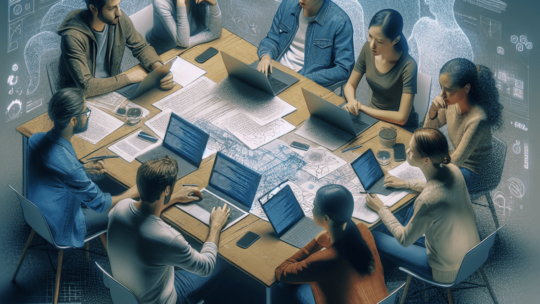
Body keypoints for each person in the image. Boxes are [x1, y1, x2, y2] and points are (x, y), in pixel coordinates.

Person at [107, 156, 231, 304]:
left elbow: (145, 212)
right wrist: (216, 226)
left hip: (126, 295)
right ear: (166, 189)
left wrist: (175, 197)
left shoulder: (119, 208)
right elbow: (207, 267)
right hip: (168, 300)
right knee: (222, 261)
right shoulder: (167, 237)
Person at [27, 88, 139, 248]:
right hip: (62, 227)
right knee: (125, 210)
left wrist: (82, 168)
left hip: (38, 212)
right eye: (85, 112)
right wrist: (133, 193)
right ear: (73, 121)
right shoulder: (72, 170)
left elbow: (55, 170)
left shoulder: (34, 139)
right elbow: (101, 204)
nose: (87, 115)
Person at [366, 128, 480, 283]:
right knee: (400, 222)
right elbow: (439, 189)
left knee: (374, 235)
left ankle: (378, 281)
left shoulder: (427, 200)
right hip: (473, 253)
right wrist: (406, 183)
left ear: (426, 160)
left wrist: (381, 208)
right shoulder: (454, 169)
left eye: (411, 151)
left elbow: (404, 239)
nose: (407, 151)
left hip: (446, 271)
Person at [275, 185, 389, 304]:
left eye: (314, 206)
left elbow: (281, 272)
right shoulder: (363, 231)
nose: (312, 210)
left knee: (290, 286)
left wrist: (315, 243)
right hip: (381, 301)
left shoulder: (325, 259)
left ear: (326, 218)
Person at [58, 0, 174, 97]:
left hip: (113, 88)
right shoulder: (72, 36)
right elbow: (86, 87)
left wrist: (159, 69)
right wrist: (128, 78)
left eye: (119, 5)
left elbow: (141, 47)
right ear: (93, 9)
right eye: (111, 8)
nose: (119, 12)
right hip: (80, 98)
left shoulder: (119, 19)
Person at [422, 58, 503, 196]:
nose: (442, 94)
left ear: (466, 88)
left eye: (448, 89)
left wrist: (427, 166)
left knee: (432, 187)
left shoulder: (478, 120)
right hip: (459, 161)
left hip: (476, 174)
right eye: (441, 87)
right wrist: (433, 111)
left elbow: (455, 162)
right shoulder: (450, 101)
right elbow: (426, 134)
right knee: (422, 170)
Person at [344, 9, 419, 132]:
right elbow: (350, 85)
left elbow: (402, 118)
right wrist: (352, 101)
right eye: (370, 36)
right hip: (372, 118)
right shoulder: (367, 50)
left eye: (379, 41)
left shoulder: (408, 65)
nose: (372, 45)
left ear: (395, 40)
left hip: (401, 127)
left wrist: (361, 107)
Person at [257, 0, 355, 88]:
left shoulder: (340, 22)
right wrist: (266, 55)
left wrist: (309, 79)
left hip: (306, 85)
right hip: (276, 71)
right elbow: (272, 39)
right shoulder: (287, 4)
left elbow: (343, 69)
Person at [146, 0, 222, 55]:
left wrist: (214, 4)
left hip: (190, 49)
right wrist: (181, 3)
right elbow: (183, 42)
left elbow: (215, 32)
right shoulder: (160, 2)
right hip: (165, 53)